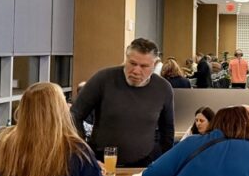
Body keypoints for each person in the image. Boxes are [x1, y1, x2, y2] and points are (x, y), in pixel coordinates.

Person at [71, 38, 176, 167]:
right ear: (126, 59)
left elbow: (168, 129)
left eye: (144, 66)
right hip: (101, 161)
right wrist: (84, 153)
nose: (136, 70)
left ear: (154, 66)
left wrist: (163, 161)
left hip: (144, 163)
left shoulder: (163, 88)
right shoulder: (103, 79)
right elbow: (75, 115)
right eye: (132, 63)